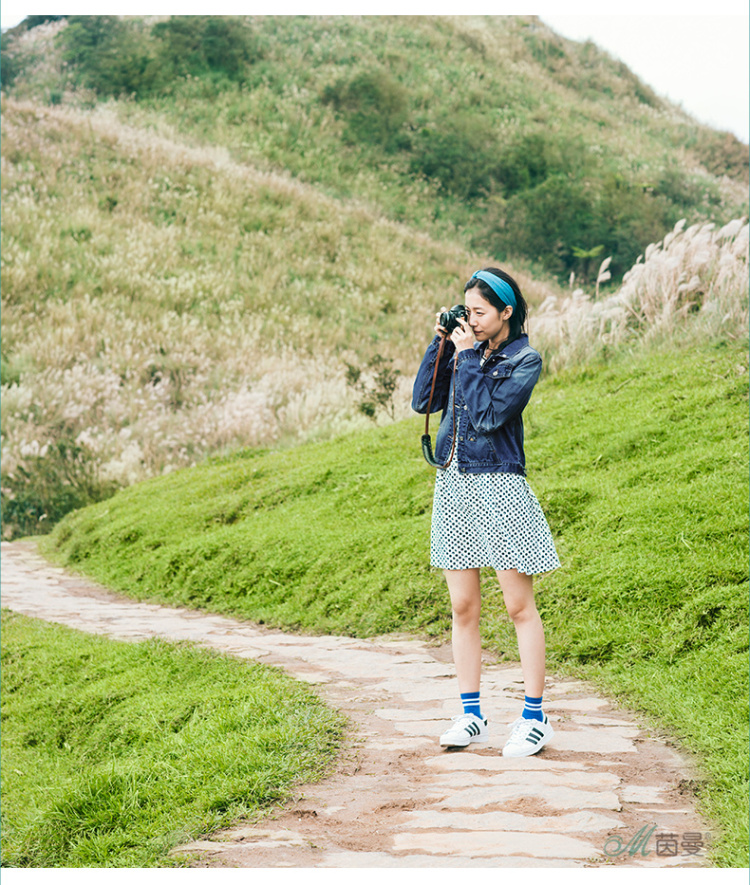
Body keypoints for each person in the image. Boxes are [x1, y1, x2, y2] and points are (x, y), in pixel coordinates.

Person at [412, 267, 560, 758]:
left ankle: (534, 718)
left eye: (479, 312)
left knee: (518, 606)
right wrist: (441, 344)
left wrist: (466, 357)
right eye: (467, 312)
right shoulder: (462, 351)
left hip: (499, 485)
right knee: (462, 607)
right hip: (454, 484)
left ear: (505, 312)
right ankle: (471, 715)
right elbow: (422, 401)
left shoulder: (524, 359)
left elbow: (489, 415)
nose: (471, 320)